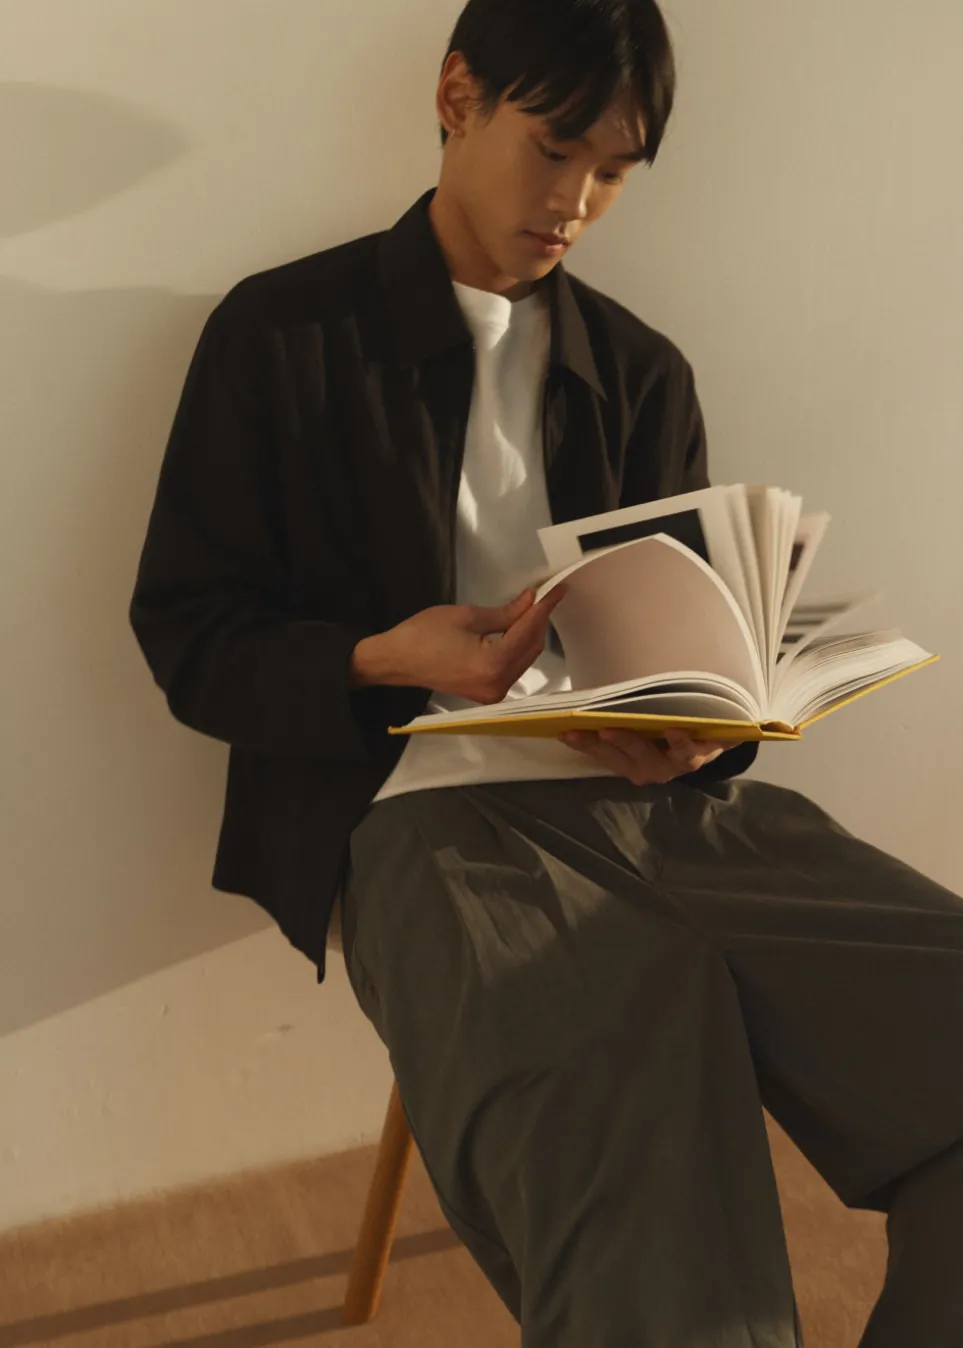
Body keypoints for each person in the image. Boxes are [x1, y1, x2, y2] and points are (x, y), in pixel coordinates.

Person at [129, 1, 963, 1343]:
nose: (576, 201)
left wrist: (700, 734)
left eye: (615, 170)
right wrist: (383, 658)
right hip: (412, 811)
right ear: (457, 95)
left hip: (657, 810)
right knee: (633, 1145)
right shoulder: (281, 335)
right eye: (555, 148)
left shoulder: (639, 372)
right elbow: (190, 636)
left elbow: (687, 639)